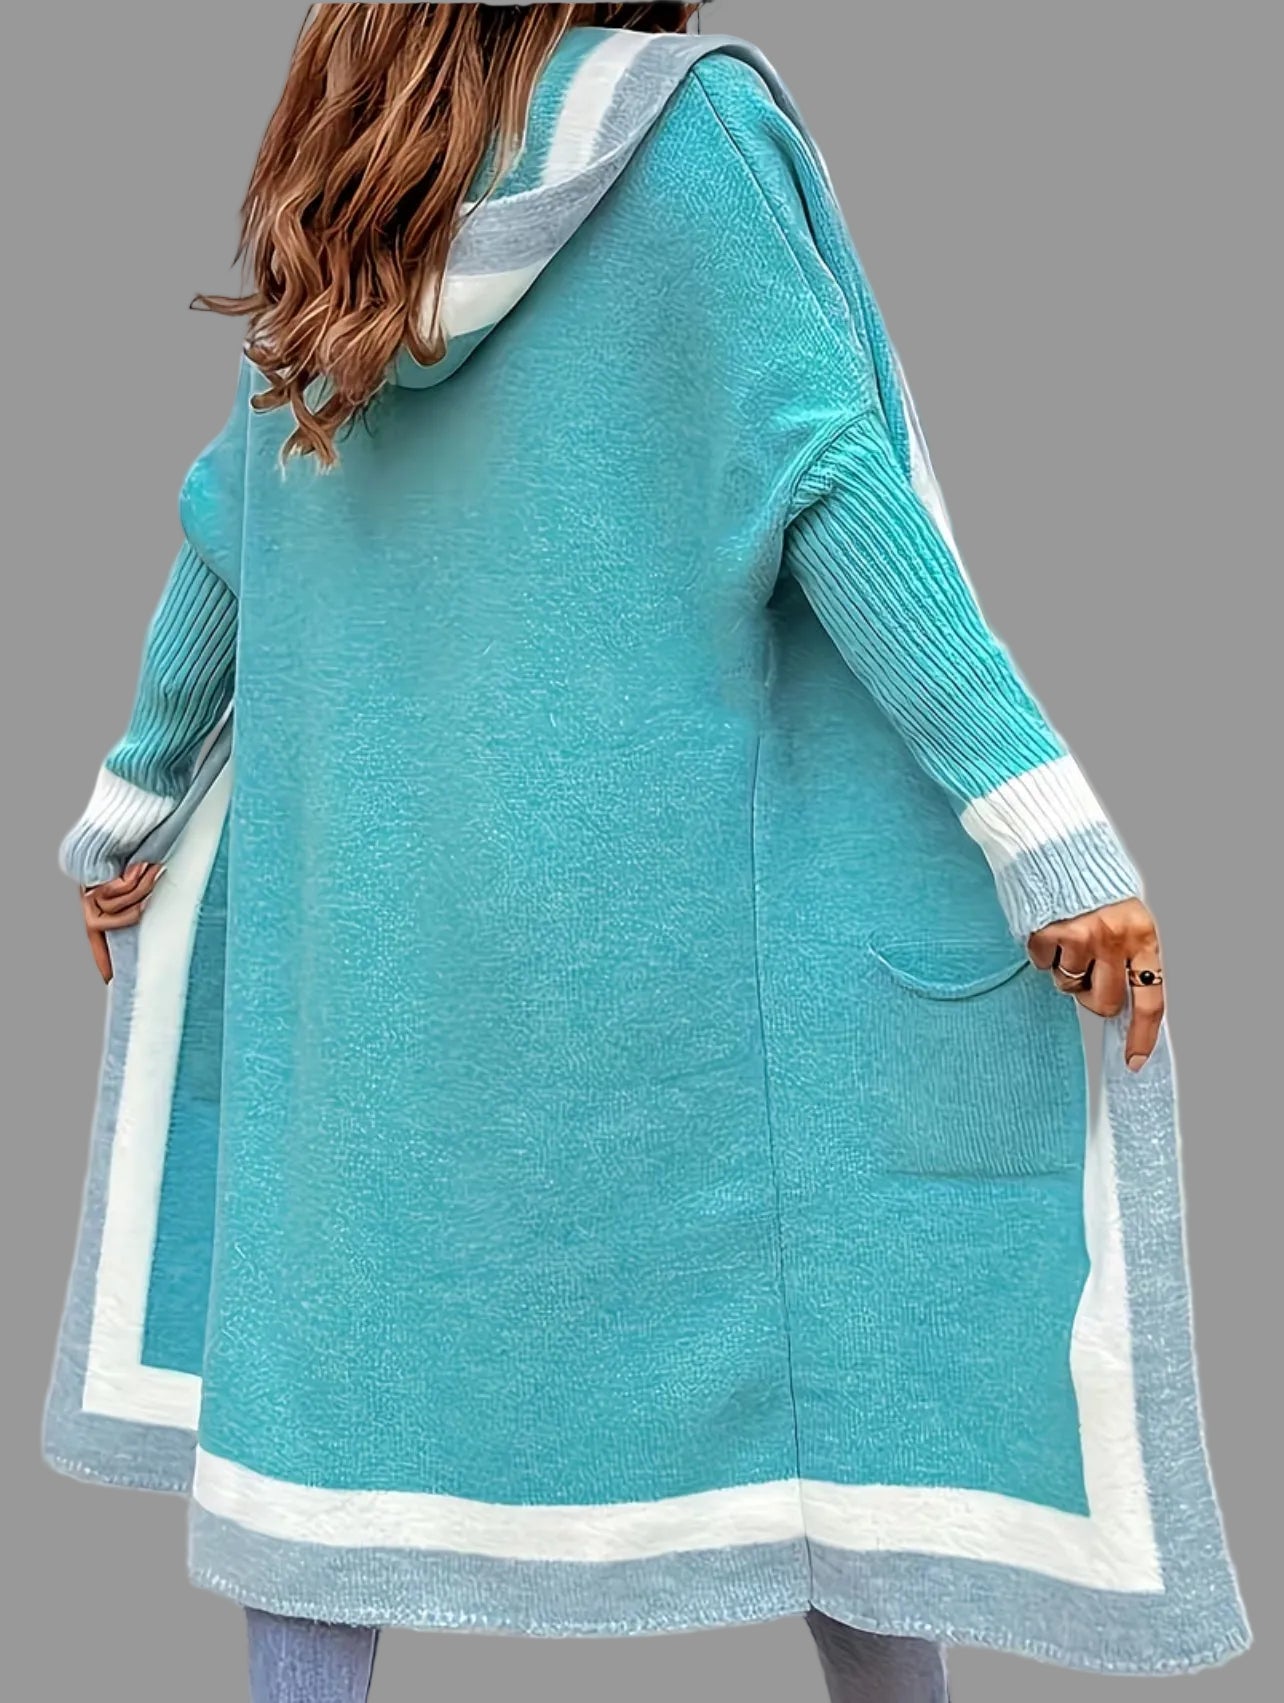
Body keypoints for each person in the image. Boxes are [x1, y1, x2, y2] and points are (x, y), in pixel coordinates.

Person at [45, 5, 1248, 1701]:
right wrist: (1045, 828)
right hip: (662, 944)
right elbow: (824, 475)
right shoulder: (691, 137)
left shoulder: (358, 182)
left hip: (371, 958)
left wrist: (133, 799)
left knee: (323, 1413)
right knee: (831, 1364)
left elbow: (232, 525)